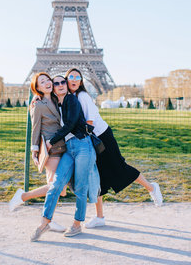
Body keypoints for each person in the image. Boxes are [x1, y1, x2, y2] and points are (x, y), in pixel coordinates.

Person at [65, 68, 163, 229]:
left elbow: (89, 121)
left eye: (78, 77)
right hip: (90, 139)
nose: (74, 79)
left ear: (81, 81)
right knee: (98, 176)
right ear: (66, 79)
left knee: (119, 166)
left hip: (101, 136)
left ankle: (152, 187)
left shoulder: (82, 96)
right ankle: (99, 216)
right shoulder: (71, 97)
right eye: (71, 77)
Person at [30, 75, 100, 241]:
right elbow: (42, 108)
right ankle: (44, 222)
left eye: (63, 82)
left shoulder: (71, 100)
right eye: (56, 83)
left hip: (83, 146)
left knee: (81, 187)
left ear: (67, 86)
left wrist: (50, 142)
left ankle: (77, 224)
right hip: (69, 148)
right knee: (56, 184)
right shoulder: (55, 103)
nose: (60, 85)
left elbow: (69, 125)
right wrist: (36, 97)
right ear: (52, 87)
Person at [9, 72, 67, 232]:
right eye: (42, 82)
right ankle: (26, 200)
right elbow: (35, 129)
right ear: (37, 88)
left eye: (48, 79)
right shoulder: (38, 105)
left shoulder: (56, 99)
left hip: (63, 147)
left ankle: (43, 214)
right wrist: (35, 151)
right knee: (56, 187)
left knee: (59, 189)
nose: (48, 83)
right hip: (51, 149)